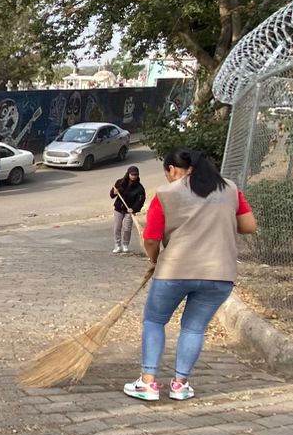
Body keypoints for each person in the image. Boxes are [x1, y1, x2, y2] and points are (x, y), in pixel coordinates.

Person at [124, 148, 257, 403]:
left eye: (167, 173)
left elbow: (151, 238)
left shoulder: (166, 194)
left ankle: (148, 384)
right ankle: (181, 384)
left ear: (172, 170)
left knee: (154, 321)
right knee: (194, 328)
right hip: (220, 274)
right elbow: (249, 226)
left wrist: (153, 259)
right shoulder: (229, 189)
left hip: (175, 270)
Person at [110, 165, 146, 255]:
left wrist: (134, 209)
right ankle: (117, 245)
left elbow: (140, 200)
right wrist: (114, 192)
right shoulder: (120, 182)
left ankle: (125, 244)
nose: (134, 176)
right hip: (119, 208)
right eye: (132, 174)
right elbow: (112, 195)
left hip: (129, 211)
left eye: (135, 174)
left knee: (127, 229)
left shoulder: (139, 188)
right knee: (117, 227)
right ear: (128, 174)